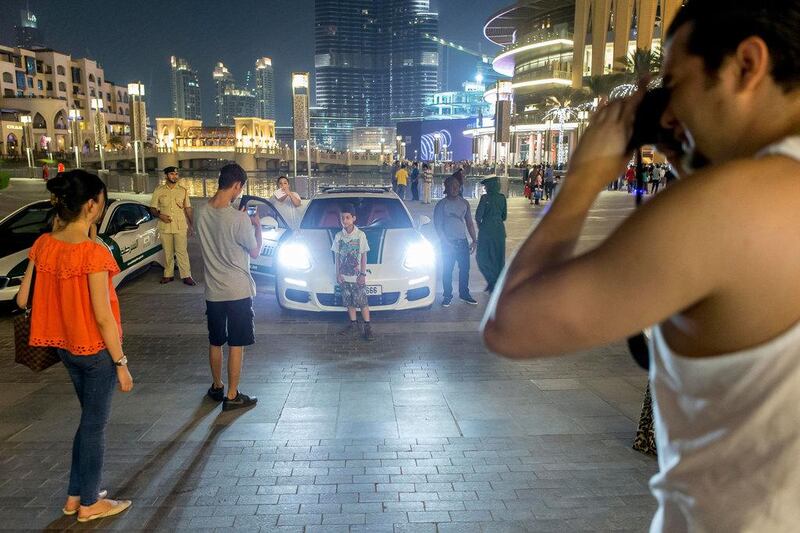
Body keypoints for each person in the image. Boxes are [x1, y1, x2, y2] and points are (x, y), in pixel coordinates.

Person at [482, 0, 800, 529]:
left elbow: (511, 326)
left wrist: (583, 177)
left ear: (747, 64)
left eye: (674, 86)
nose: (668, 115)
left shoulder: (732, 206)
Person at [15, 170, 133, 523]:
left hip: (64, 348)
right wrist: (121, 363)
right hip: (96, 352)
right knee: (94, 427)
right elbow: (102, 317)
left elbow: (22, 299)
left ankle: (74, 496)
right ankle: (88, 505)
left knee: (88, 423)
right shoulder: (94, 255)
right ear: (92, 205)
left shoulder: (43, 245)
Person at [195, 163, 261, 411]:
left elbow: (216, 228)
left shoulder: (201, 212)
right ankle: (232, 395)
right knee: (236, 343)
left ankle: (217, 386)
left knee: (215, 341)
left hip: (213, 291)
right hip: (237, 291)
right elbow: (254, 251)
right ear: (236, 186)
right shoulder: (239, 218)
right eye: (240, 188)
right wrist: (255, 225)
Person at [434, 175, 478, 307]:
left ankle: (464, 294)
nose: (454, 188)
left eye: (457, 186)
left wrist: (474, 240)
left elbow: (469, 223)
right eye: (451, 186)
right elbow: (438, 225)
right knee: (447, 270)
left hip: (462, 242)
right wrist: (445, 241)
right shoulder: (441, 205)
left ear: (460, 188)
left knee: (464, 269)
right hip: (447, 243)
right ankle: (447, 295)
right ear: (446, 188)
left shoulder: (465, 203)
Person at [332, 204, 374, 341]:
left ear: (354, 219)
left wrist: (363, 274)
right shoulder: (339, 236)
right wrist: (337, 274)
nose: (344, 220)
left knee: (362, 302)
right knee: (349, 302)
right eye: (342, 218)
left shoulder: (360, 235)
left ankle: (367, 327)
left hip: (357, 278)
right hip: (344, 277)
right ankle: (353, 324)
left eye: (348, 217)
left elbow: (363, 256)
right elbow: (337, 257)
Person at [149, 166, 196, 285]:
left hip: (180, 226)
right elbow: (153, 208)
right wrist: (160, 215)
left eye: (176, 174)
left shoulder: (183, 190)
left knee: (182, 251)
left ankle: (186, 275)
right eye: (171, 174)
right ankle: (168, 275)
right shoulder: (159, 190)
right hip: (165, 226)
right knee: (167, 252)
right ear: (166, 175)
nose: (174, 176)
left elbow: (188, 208)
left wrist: (192, 225)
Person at [475, 177, 507, 292]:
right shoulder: (502, 198)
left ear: (489, 186)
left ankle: (492, 281)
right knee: (498, 258)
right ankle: (497, 283)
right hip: (499, 232)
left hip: (486, 231)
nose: (485, 188)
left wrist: (481, 227)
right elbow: (504, 217)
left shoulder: (485, 198)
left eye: (485, 186)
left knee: (482, 257)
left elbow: (478, 217)